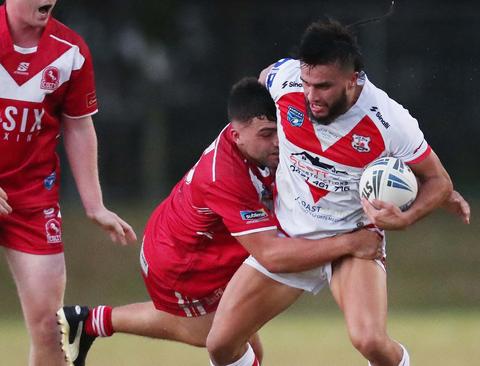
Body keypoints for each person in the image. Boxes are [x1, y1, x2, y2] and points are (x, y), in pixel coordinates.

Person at [57, 77, 384, 366]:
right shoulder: (225, 176)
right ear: (236, 134)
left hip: (201, 243)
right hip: (182, 264)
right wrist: (350, 242)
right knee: (215, 336)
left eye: (279, 131)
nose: (278, 143)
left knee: (241, 342)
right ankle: (90, 322)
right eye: (267, 134)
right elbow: (271, 255)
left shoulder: (253, 144)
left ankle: (86, 321)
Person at [206, 19, 471, 366]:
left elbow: (438, 181)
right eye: (307, 84)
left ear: (353, 77)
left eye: (324, 86)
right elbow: (265, 75)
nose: (312, 96)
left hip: (353, 242)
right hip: (291, 236)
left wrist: (405, 218)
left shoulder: (390, 121)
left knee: (371, 341)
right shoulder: (283, 81)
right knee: (220, 345)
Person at [0, 1, 137, 365]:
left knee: (50, 327)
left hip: (32, 200)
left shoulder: (70, 51)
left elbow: (78, 125)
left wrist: (95, 204)